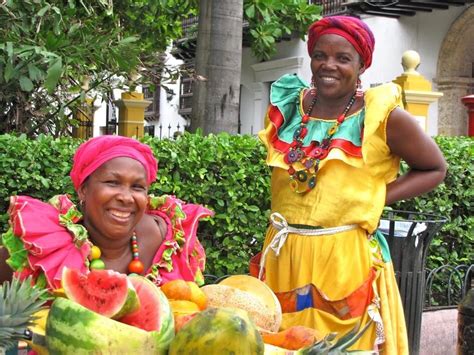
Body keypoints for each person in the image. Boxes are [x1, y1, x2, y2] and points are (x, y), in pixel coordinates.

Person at [251, 16, 446, 354]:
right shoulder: (290, 108)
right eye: (320, 56)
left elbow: (434, 168)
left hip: (343, 261)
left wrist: (375, 197)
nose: (329, 65)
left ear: (361, 66)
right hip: (284, 255)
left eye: (343, 59)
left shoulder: (380, 117)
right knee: (279, 343)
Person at [0, 135, 213, 289]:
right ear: (83, 189)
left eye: (137, 187)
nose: (126, 197)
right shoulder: (43, 246)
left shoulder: (170, 239)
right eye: (112, 182)